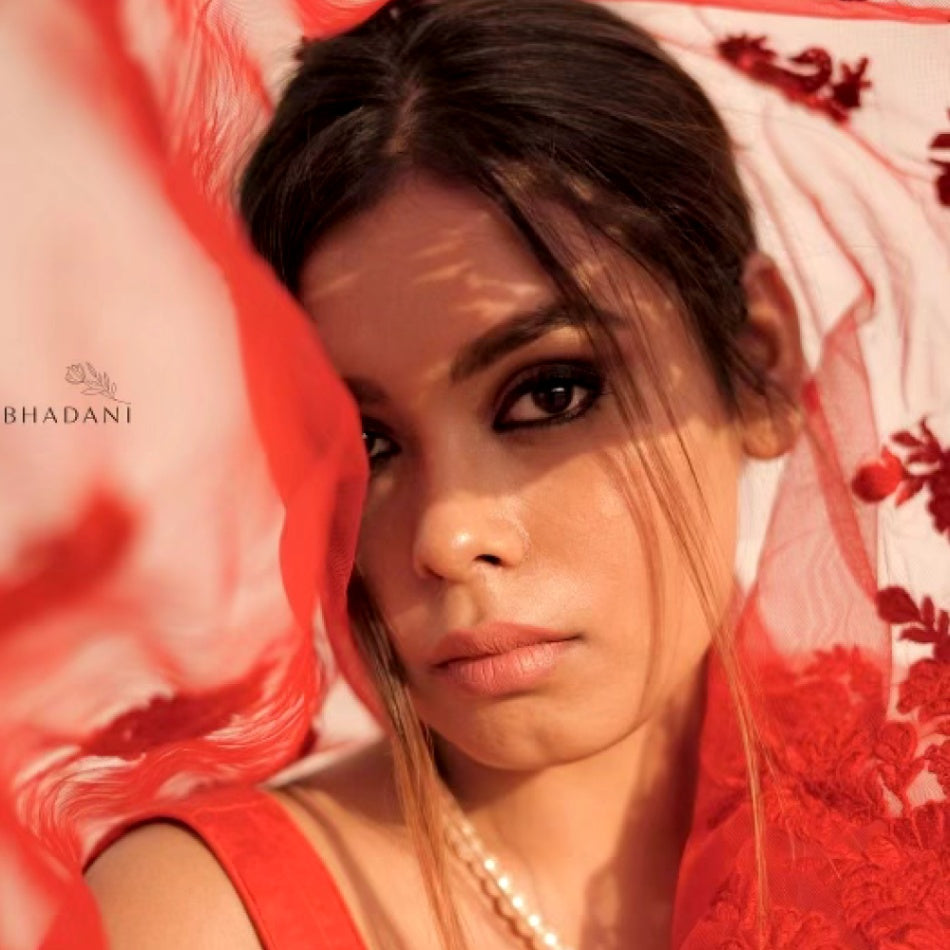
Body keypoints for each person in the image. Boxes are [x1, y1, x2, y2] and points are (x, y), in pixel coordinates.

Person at [73, 1, 950, 948]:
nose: (448, 536)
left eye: (551, 395)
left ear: (759, 363)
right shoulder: (202, 921)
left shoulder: (913, 832)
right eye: (363, 444)